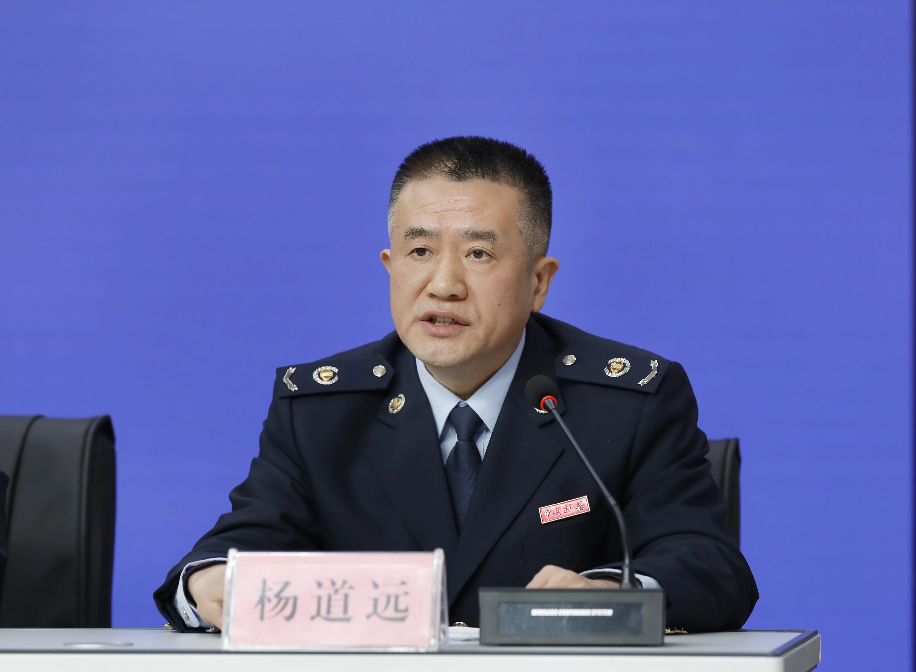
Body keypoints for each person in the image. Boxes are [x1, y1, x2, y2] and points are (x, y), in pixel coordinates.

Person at [154, 136, 758, 632]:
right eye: (419, 251)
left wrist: (610, 592)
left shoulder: (625, 403)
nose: (443, 285)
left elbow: (709, 564)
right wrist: (208, 581)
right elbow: (240, 544)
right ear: (391, 267)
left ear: (539, 282)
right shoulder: (321, 410)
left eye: (478, 255)